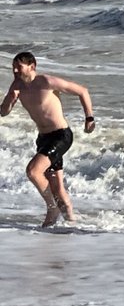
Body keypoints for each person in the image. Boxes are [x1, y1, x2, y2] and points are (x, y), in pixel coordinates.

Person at [0, 51, 95, 227]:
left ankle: (52, 208)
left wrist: (89, 118)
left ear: (32, 66)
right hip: (43, 139)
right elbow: (3, 112)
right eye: (13, 67)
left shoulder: (46, 82)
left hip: (61, 135)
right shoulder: (17, 85)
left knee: (33, 171)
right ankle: (71, 224)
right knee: (58, 188)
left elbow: (82, 91)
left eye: (18, 67)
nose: (14, 70)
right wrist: (10, 97)